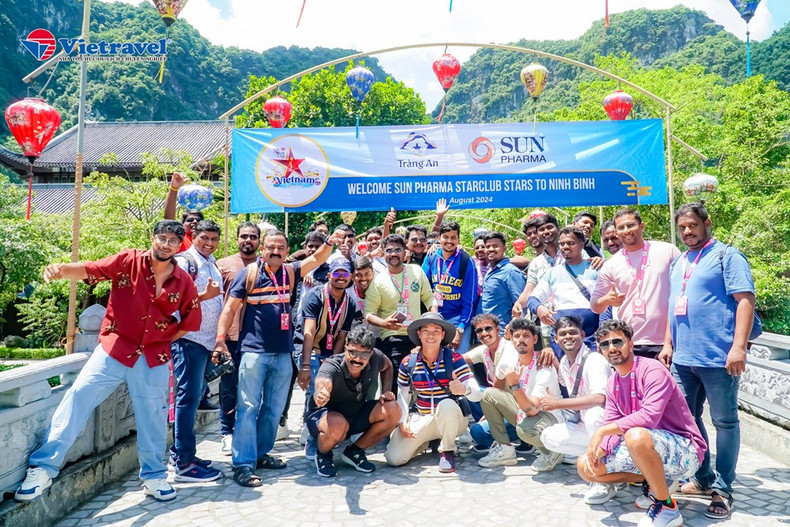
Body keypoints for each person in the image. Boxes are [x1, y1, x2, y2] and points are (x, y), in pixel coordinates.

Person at [15, 220, 201, 502]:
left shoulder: (183, 281)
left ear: (179, 246)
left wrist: (161, 339)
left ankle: (154, 475)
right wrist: (61, 269)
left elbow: (190, 320)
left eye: (173, 240)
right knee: (78, 396)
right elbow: (91, 269)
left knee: (153, 416)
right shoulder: (128, 261)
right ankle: (43, 467)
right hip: (115, 347)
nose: (166, 244)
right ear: (153, 238)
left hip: (153, 357)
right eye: (162, 238)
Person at [214, 227, 344, 487]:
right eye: (270, 247)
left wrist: (330, 241)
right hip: (253, 351)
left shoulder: (291, 272)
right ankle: (243, 463)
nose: (275, 251)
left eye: (280, 248)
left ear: (287, 251)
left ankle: (260, 453)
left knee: (273, 409)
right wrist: (220, 340)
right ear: (262, 249)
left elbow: (318, 258)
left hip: (283, 353)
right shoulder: (248, 274)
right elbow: (229, 308)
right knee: (248, 407)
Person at [660, 202, 756, 519]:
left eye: (693, 225)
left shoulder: (727, 256)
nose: (687, 231)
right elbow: (673, 304)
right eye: (682, 227)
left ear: (706, 223)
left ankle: (723, 488)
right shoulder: (680, 261)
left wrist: (738, 347)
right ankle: (703, 478)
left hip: (719, 359)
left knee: (724, 422)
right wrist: (668, 343)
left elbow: (745, 300)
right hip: (682, 359)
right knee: (686, 421)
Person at [579, 319, 706, 527]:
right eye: (605, 344)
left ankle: (667, 507)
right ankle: (656, 482)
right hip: (648, 447)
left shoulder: (652, 369)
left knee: (635, 435)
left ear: (630, 344)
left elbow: (650, 416)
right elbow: (611, 421)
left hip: (686, 451)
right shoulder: (612, 383)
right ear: (600, 350)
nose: (612, 348)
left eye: (617, 342)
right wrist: (598, 453)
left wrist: (602, 431)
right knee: (585, 466)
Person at [384, 313, 482, 473]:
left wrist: (464, 389)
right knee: (394, 458)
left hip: (451, 417)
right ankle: (430, 441)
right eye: (426, 331)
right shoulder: (408, 362)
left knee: (447, 405)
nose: (431, 335)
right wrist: (402, 422)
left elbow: (477, 394)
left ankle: (447, 451)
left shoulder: (454, 360)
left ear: (442, 335)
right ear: (419, 333)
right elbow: (403, 396)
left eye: (436, 331)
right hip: (422, 417)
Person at [169, 220, 224, 482]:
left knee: (195, 397)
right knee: (188, 400)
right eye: (204, 238)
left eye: (214, 239)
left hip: (205, 342)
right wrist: (204, 294)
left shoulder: (211, 262)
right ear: (194, 236)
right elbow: (173, 299)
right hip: (188, 340)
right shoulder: (185, 262)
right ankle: (184, 463)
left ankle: (179, 452)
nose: (209, 243)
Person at [306, 326, 401, 477]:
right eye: (352, 352)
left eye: (363, 354)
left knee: (393, 409)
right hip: (326, 417)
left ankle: (354, 451)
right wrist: (321, 392)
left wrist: (386, 392)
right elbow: (323, 380)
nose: (357, 359)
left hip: (355, 414)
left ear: (371, 353)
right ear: (345, 348)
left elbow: (387, 366)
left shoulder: (376, 357)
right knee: (337, 423)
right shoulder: (332, 364)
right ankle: (323, 454)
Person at [538, 317, 613, 504]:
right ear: (555, 339)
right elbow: (567, 384)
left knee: (594, 414)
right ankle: (609, 462)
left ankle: (602, 478)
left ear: (583, 334)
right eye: (562, 334)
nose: (568, 337)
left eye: (572, 332)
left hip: (608, 425)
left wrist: (558, 403)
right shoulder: (564, 362)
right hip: (586, 424)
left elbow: (600, 398)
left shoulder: (594, 360)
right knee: (548, 437)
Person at [591, 209, 680, 359]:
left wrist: (668, 343)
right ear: (616, 232)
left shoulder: (667, 251)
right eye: (621, 227)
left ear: (642, 226)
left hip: (667, 343)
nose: (626, 230)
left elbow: (683, 289)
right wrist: (606, 300)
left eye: (631, 225)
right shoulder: (611, 264)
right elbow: (595, 306)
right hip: (629, 343)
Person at [477, 318, 564, 471]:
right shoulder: (509, 361)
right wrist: (491, 412)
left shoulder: (544, 365)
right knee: (489, 394)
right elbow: (497, 387)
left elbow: (533, 410)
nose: (521, 340)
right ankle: (505, 449)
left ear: (535, 339)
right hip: (524, 411)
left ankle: (552, 451)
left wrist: (515, 385)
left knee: (525, 429)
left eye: (526, 336)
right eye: (517, 336)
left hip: (548, 417)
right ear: (511, 339)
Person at [297, 258, 358, 459]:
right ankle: (312, 439)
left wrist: (333, 363)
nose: (341, 277)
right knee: (316, 390)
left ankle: (326, 430)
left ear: (350, 277)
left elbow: (341, 337)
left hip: (330, 352)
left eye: (345, 273)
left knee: (332, 389)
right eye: (337, 272)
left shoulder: (350, 302)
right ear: (329, 275)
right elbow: (308, 331)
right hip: (308, 348)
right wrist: (305, 366)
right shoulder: (315, 296)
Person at [364, 234, 435, 391]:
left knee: (423, 379)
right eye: (389, 250)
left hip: (418, 335)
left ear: (405, 252)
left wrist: (434, 319)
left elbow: (429, 298)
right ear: (383, 253)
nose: (394, 254)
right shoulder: (378, 281)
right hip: (393, 337)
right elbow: (368, 313)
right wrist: (384, 323)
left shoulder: (416, 271)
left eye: (398, 250)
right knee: (397, 383)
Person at [215, 222, 261, 456]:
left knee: (253, 390)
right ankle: (227, 432)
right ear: (236, 239)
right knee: (228, 388)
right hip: (231, 338)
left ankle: (249, 433)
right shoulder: (222, 265)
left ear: (259, 241)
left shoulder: (266, 266)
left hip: (257, 338)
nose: (248, 240)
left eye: (253, 236)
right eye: (244, 236)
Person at [527, 226, 602, 355]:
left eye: (571, 243)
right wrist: (539, 309)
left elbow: (607, 302)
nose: (565, 247)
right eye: (562, 244)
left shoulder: (596, 269)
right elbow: (532, 299)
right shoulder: (552, 273)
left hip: (591, 337)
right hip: (562, 340)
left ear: (581, 245)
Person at [463, 313, 522, 454]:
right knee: (468, 388)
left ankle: (524, 438)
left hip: (518, 408)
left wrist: (487, 415)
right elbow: (459, 360)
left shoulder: (508, 348)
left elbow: (497, 388)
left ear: (497, 329)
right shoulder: (484, 350)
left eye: (488, 329)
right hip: (501, 403)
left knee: (478, 432)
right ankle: (496, 433)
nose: (484, 333)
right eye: (479, 330)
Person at [422, 221, 478, 353]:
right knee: (434, 358)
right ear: (439, 238)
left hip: (457, 319)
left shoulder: (466, 261)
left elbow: (470, 299)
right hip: (435, 318)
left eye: (453, 237)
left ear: (458, 239)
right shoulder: (431, 257)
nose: (449, 241)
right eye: (445, 237)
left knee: (458, 359)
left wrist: (461, 327)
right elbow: (421, 282)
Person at [476, 231, 526, 335]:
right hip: (486, 332)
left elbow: (521, 306)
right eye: (488, 246)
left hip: (503, 332)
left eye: (495, 246)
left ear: (504, 248)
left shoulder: (510, 272)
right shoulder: (490, 270)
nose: (491, 249)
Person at [162, 172, 203, 253]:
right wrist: (174, 189)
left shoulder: (205, 243)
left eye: (199, 220)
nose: (195, 222)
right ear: (182, 225)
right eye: (190, 220)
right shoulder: (180, 238)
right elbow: (169, 221)